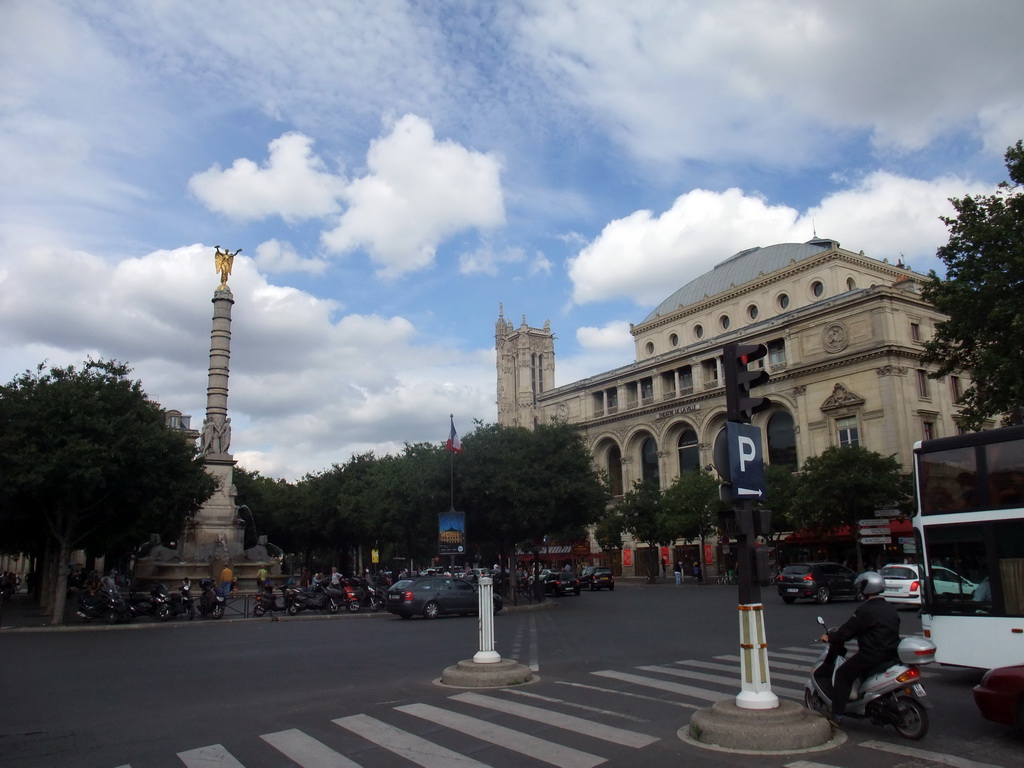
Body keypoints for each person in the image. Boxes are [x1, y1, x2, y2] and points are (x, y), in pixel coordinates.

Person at [819, 571, 900, 727]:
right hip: (892, 652)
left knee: (843, 674)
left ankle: (836, 715)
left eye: (861, 587)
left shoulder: (866, 609)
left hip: (872, 654)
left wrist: (830, 637)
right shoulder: (890, 607)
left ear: (866, 588)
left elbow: (848, 630)